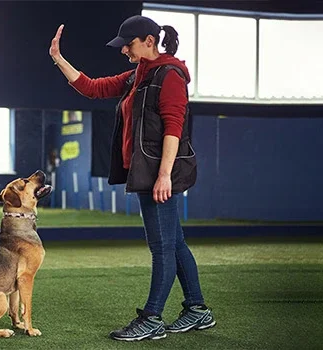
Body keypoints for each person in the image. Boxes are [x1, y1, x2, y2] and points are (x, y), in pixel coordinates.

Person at [49, 15, 215, 341]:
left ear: (149, 41)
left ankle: (152, 317)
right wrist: (58, 59)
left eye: (129, 43)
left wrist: (164, 176)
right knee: (175, 243)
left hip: (158, 174)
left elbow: (173, 128)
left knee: (162, 248)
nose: (124, 49)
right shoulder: (137, 77)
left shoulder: (169, 76)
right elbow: (93, 88)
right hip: (144, 172)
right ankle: (197, 309)